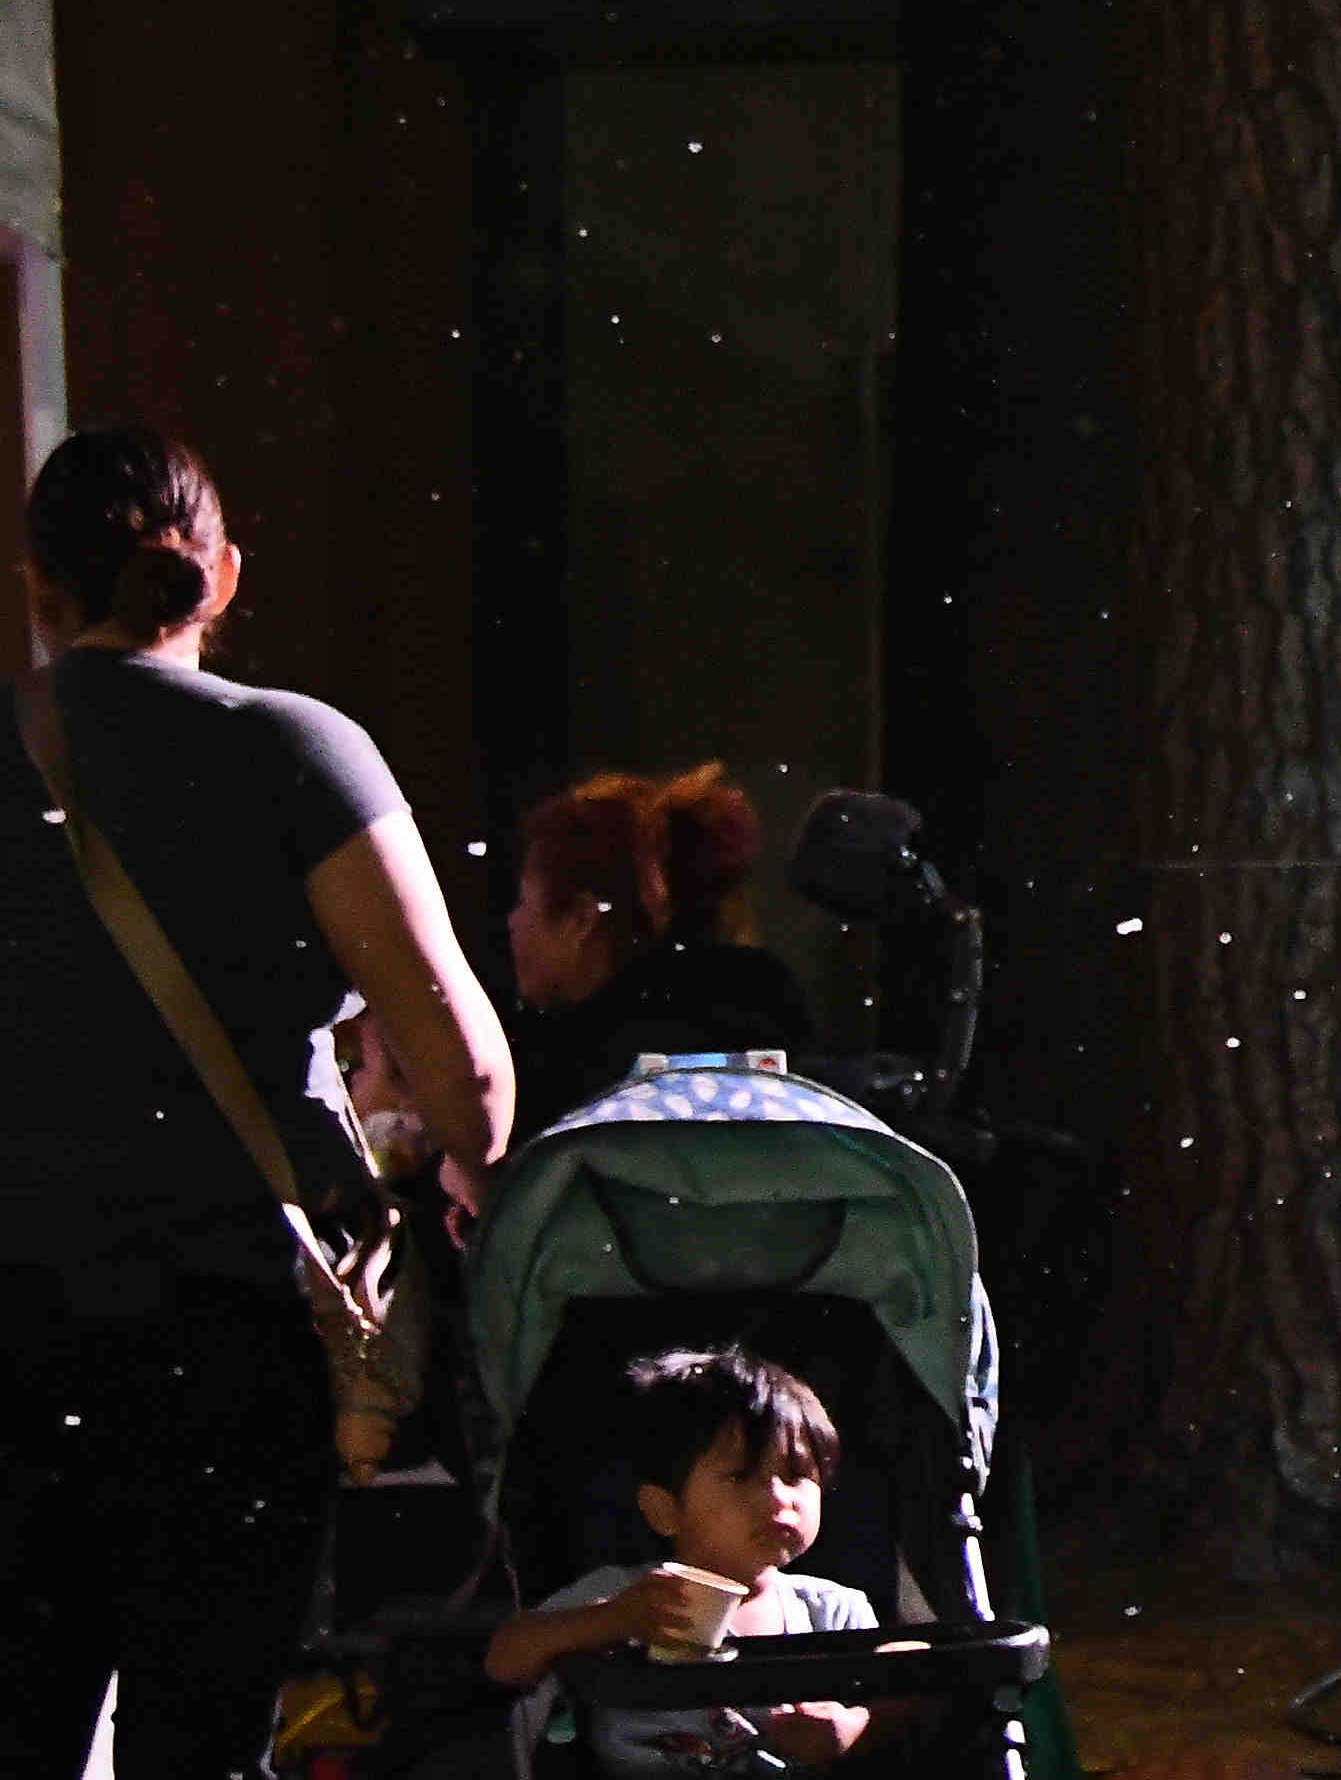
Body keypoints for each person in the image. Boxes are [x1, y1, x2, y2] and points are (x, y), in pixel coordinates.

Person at [0, 427, 515, 1778]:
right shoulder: (295, 751)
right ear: (218, 577)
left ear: (35, 589)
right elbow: (464, 1079)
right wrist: (459, 1164)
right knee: (201, 1732)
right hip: (218, 1339)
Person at [486, 1347, 914, 1772]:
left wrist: (857, 1724)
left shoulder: (832, 1611)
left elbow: (920, 1676)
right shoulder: (631, 1599)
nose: (778, 1498)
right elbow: (505, 1660)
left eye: (796, 1473)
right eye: (742, 1477)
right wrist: (609, 1621)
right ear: (665, 1510)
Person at [505, 765, 814, 1130]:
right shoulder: (773, 1024)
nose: (512, 922)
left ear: (582, 919)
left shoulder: (550, 1084)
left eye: (525, 901)